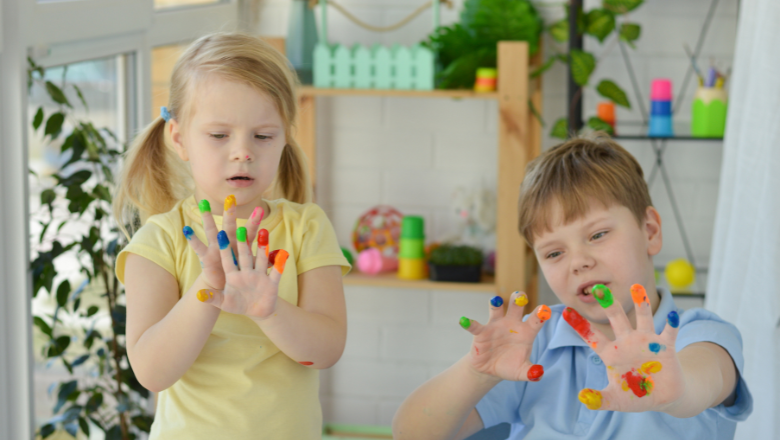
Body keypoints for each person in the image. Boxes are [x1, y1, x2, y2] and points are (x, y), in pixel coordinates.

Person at [392, 133, 752, 439]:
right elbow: (411, 432)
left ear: (650, 232)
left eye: (597, 234)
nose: (578, 261)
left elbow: (703, 377)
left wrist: (674, 390)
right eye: (553, 253)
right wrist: (476, 372)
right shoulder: (536, 344)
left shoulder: (701, 336)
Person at [113, 32, 350, 439]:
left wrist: (269, 310)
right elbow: (152, 372)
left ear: (285, 137)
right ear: (178, 137)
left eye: (263, 136)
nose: (243, 152)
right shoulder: (159, 242)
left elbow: (326, 351)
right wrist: (209, 286)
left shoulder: (307, 227)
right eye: (220, 135)